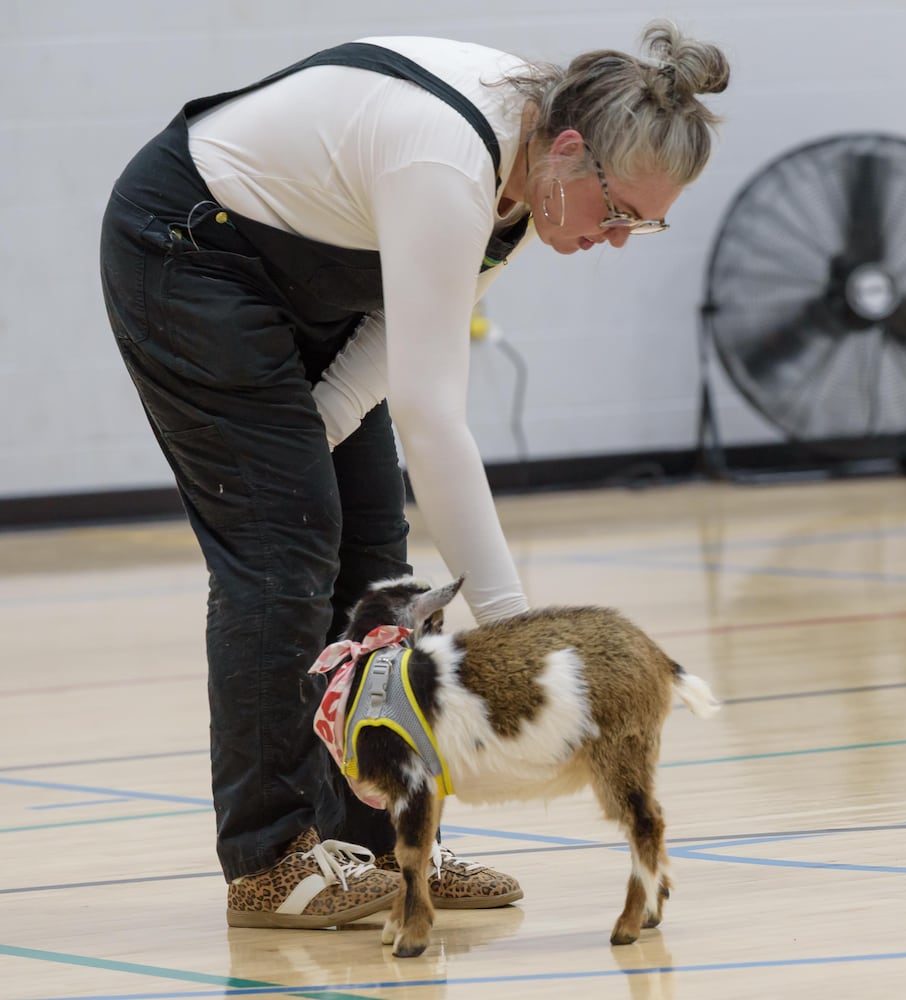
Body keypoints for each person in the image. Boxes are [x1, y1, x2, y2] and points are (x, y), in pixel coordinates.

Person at [98, 22, 729, 929]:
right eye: (619, 210)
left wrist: (294, 449)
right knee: (285, 553)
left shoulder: (524, 189)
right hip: (190, 253)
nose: (620, 237)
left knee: (374, 556)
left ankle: (388, 841)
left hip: (306, 294)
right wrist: (528, 643)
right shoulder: (451, 163)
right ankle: (269, 861)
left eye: (644, 223)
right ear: (566, 150)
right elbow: (434, 421)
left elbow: (386, 361)